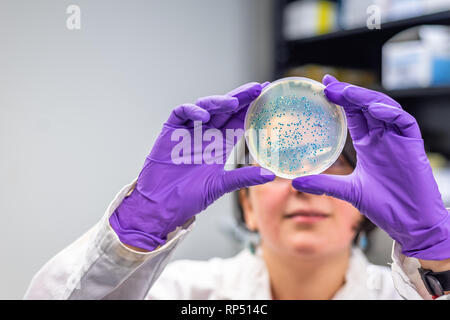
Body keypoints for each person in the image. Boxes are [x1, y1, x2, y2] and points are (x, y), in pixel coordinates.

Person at [24, 75, 450, 300]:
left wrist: (436, 255)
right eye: (281, 163)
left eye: (328, 166)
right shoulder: (185, 292)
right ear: (245, 202)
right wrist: (139, 224)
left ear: (365, 209)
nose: (302, 188)